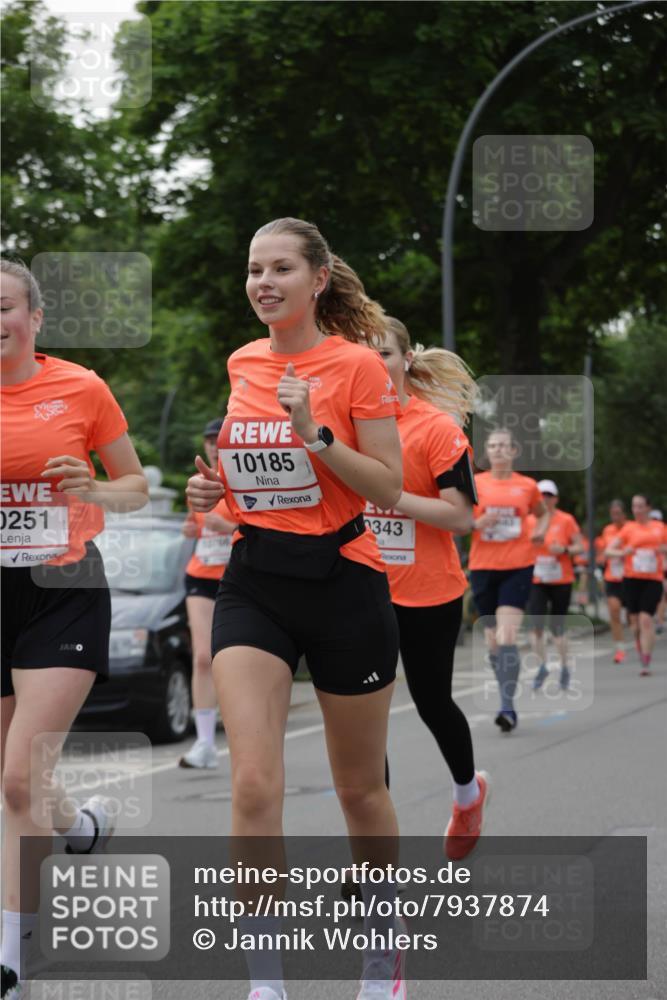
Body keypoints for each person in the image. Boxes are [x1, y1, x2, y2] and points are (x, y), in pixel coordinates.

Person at [186, 218, 405, 1000]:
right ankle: (266, 983)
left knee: (358, 788)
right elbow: (246, 470)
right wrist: (212, 490)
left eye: (280, 268)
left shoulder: (355, 368)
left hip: (345, 579)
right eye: (253, 270)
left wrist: (315, 433)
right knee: (253, 784)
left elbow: (386, 486)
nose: (263, 283)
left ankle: (381, 959)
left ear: (317, 280)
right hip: (256, 580)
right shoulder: (242, 361)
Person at [1, 259, 148, 998]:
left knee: (18, 777)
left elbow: (135, 485)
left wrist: (93, 488)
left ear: (34, 317)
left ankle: (11, 963)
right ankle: (81, 821)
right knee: (17, 784)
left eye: (3, 307)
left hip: (62, 587)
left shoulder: (80, 388)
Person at [366, 317, 488, 861]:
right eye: (363, 358)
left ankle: (467, 793)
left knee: (432, 702)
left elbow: (461, 517)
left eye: (384, 355)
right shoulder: (348, 429)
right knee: (363, 718)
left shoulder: (437, 429)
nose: (375, 366)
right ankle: (373, 855)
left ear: (407, 358)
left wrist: (392, 497)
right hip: (362, 590)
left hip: (428, 592)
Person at [468, 428, 549, 733]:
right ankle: (506, 693)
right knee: (493, 642)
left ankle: (507, 707)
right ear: (487, 452)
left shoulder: (527, 487)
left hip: (518, 566)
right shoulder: (476, 484)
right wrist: (476, 523)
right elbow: (458, 521)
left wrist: (540, 529)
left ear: (514, 451)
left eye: (504, 445)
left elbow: (542, 515)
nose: (499, 450)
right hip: (483, 567)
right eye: (493, 445)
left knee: (506, 637)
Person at [179, 418, 237, 770]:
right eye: (209, 440)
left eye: (219, 439)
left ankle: (244, 733)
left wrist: (229, 527)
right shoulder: (199, 483)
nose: (214, 445)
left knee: (228, 661)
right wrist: (192, 528)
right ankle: (204, 743)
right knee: (202, 657)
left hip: (237, 578)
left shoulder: (243, 479)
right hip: (200, 576)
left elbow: (265, 529)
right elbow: (196, 524)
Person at [526, 481, 584, 691]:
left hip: (561, 579)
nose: (546, 499)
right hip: (536, 579)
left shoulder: (566, 519)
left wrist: (565, 549)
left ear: (556, 498)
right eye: (542, 495)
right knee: (536, 625)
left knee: (558, 627)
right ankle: (542, 666)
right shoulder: (529, 520)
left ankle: (565, 667)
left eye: (550, 495)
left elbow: (580, 546)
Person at [607, 494, 667, 676]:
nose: (637, 510)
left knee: (646, 619)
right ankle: (641, 649)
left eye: (641, 506)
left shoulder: (659, 527)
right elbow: (609, 550)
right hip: (631, 580)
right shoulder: (628, 529)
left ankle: (646, 661)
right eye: (634, 507)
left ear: (648, 507)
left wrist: (662, 549)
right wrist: (623, 551)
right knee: (634, 624)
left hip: (652, 579)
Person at [597, 500, 628, 662]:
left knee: (633, 617)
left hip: (630, 577)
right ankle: (620, 648)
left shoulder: (631, 528)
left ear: (624, 514)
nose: (615, 517)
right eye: (612, 514)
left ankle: (638, 640)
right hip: (612, 576)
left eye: (618, 513)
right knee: (614, 611)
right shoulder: (607, 530)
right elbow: (604, 552)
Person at [649, 510, 666, 634]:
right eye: (652, 519)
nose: (654, 522)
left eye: (656, 519)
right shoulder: (644, 531)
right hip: (649, 569)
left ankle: (659, 621)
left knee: (662, 595)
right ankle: (655, 619)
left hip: (663, 568)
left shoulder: (664, 530)